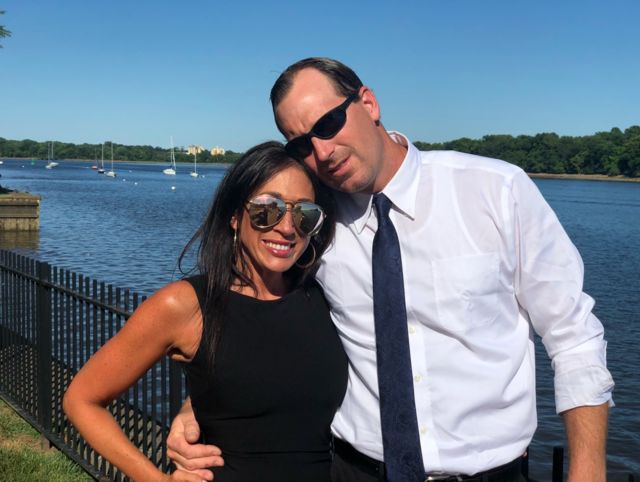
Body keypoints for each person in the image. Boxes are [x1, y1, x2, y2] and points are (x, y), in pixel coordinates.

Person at [167, 58, 614, 482]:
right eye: (301, 144)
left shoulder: (495, 191)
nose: (322, 151)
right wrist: (202, 401)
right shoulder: (310, 220)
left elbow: (573, 336)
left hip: (490, 473)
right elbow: (266, 316)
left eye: (328, 123)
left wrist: (588, 471)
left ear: (368, 103)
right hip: (353, 471)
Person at [63, 141, 348, 482]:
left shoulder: (322, 296)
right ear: (234, 215)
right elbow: (82, 400)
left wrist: (191, 405)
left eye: (304, 213)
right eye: (267, 209)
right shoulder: (185, 306)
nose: (287, 227)